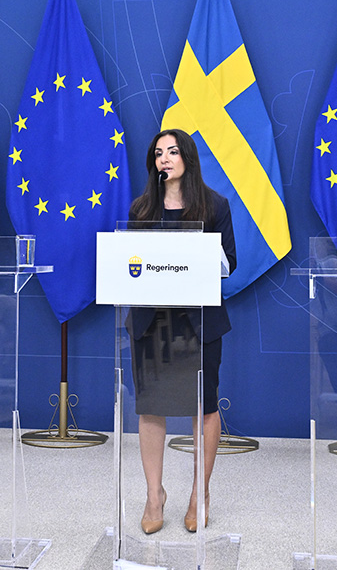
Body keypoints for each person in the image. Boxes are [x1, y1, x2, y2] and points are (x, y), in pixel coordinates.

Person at [126, 128, 236, 535]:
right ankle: (154, 495)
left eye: (172, 152)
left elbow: (231, 262)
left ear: (188, 157)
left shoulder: (215, 206)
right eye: (158, 154)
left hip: (198, 321)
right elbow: (130, 264)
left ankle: (198, 494)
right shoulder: (141, 209)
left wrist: (203, 257)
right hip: (151, 322)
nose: (165, 159)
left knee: (203, 407)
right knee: (150, 406)